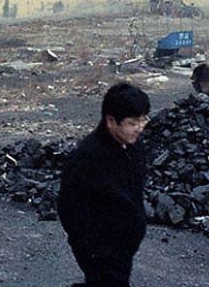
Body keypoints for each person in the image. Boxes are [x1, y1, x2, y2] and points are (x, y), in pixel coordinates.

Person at [57, 82, 151, 287]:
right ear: (111, 121)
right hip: (101, 251)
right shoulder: (87, 158)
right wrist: (92, 250)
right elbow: (68, 209)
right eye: (133, 123)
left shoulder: (132, 146)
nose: (140, 128)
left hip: (124, 247)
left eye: (143, 120)